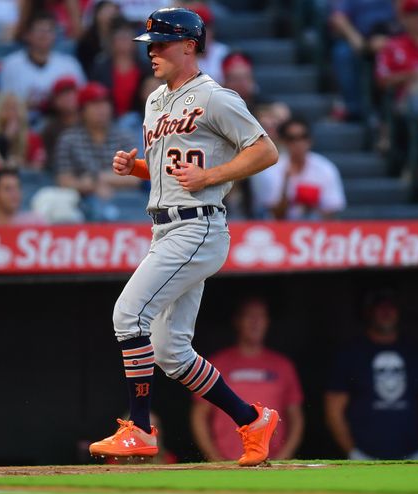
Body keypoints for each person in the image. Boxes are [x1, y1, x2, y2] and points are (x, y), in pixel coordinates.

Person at [88, 8, 280, 467]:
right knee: (172, 353)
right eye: (149, 44)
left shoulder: (215, 97)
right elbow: (168, 172)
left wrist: (212, 174)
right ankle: (252, 420)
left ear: (190, 46)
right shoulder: (155, 101)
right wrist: (134, 168)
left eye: (160, 43)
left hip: (198, 224)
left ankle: (139, 429)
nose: (151, 51)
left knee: (128, 315)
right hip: (166, 223)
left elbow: (266, 150)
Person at [325, 289, 418, 460]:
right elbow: (334, 408)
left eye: (391, 307)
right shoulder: (351, 354)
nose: (386, 312)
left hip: (413, 455)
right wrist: (353, 453)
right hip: (364, 456)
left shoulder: (416, 352)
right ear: (368, 312)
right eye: (380, 307)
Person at [190, 298, 305, 462]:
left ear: (268, 322)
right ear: (237, 321)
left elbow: (296, 418)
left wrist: (283, 458)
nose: (255, 323)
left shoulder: (283, 366)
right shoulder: (216, 363)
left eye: (261, 317)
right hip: (227, 460)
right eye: (249, 316)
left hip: (273, 461)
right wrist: (214, 458)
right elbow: (199, 415)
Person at [54, 82, 137, 214]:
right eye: (94, 104)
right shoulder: (69, 139)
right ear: (82, 110)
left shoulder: (125, 137)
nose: (101, 109)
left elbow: (135, 178)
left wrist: (98, 179)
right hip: (81, 203)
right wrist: (90, 188)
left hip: (123, 201)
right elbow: (63, 180)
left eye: (104, 103)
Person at [252, 117, 346, 220]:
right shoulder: (271, 169)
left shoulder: (325, 168)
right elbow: (273, 213)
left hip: (317, 229)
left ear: (310, 140)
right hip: (280, 230)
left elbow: (334, 208)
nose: (298, 143)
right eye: (291, 138)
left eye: (303, 137)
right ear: (283, 141)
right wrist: (286, 183)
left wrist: (311, 207)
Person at [0, 12, 86, 111]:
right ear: (27, 34)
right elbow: (3, 104)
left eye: (49, 30)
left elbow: (81, 100)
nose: (44, 35)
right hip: (23, 121)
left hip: (61, 121)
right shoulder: (11, 65)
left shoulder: (70, 64)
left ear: (55, 35)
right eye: (39, 30)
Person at [329, 0, 398, 120]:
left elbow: (408, 12)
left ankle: (392, 114)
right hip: (360, 38)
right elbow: (338, 18)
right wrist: (355, 38)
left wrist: (392, 40)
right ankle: (355, 110)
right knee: (343, 53)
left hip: (393, 36)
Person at [90, 17, 152, 118]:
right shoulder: (100, 67)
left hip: (140, 118)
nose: (124, 41)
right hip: (108, 119)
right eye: (120, 37)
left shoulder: (145, 67)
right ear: (112, 41)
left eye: (127, 37)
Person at [0, 92, 46, 169]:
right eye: (6, 108)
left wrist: (22, 164)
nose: (11, 113)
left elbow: (38, 167)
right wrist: (6, 137)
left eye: (15, 108)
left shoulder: (33, 138)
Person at [41, 76, 80, 169]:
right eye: (63, 95)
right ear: (55, 101)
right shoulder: (50, 129)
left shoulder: (89, 122)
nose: (69, 98)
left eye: (72, 93)